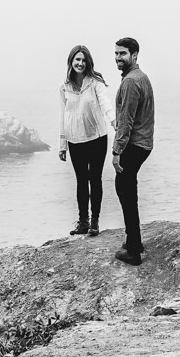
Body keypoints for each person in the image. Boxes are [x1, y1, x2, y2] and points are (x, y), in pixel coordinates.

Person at [57, 45, 111, 236]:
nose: (80, 63)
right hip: (74, 140)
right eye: (77, 59)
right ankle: (83, 222)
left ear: (88, 62)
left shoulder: (95, 82)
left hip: (97, 137)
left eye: (83, 60)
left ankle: (95, 222)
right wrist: (62, 144)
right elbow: (64, 116)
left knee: (95, 179)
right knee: (81, 181)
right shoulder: (65, 88)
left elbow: (105, 102)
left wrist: (114, 120)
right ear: (71, 61)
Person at [110, 37, 154, 265]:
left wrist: (117, 151)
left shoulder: (130, 82)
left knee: (125, 191)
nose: (118, 58)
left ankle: (134, 251)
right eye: (116, 53)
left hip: (133, 144)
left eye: (123, 53)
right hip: (143, 143)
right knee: (128, 190)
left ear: (134, 55)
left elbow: (126, 121)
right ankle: (133, 239)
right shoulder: (141, 78)